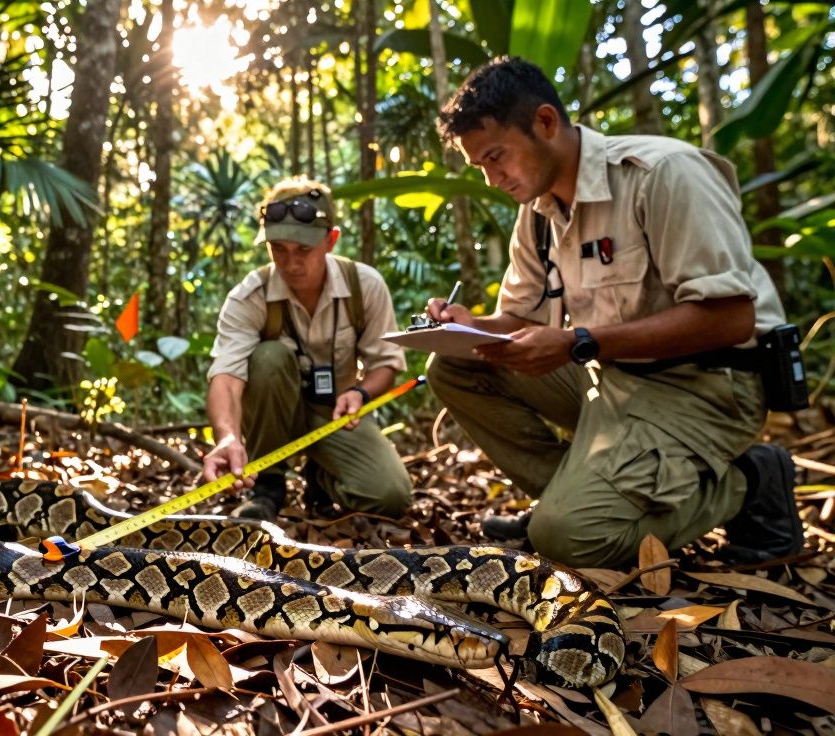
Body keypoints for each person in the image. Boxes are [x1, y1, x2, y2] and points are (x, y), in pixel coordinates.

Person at [424, 57, 805, 568]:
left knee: (569, 541)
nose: (493, 179)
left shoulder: (662, 174)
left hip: (706, 389)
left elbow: (731, 318)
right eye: (482, 168)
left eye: (497, 157)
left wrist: (580, 342)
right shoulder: (537, 215)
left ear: (545, 122)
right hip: (610, 378)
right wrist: (470, 326)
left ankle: (749, 482)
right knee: (455, 363)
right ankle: (572, 493)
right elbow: (519, 320)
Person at [202, 176, 414, 521]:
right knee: (268, 358)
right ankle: (267, 485)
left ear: (331, 241)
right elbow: (226, 376)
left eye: (303, 250)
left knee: (389, 496)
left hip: (335, 417)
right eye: (278, 250)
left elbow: (387, 364)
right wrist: (226, 438)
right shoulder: (250, 296)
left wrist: (361, 391)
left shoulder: (365, 286)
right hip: (274, 415)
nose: (290, 264)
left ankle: (321, 476)